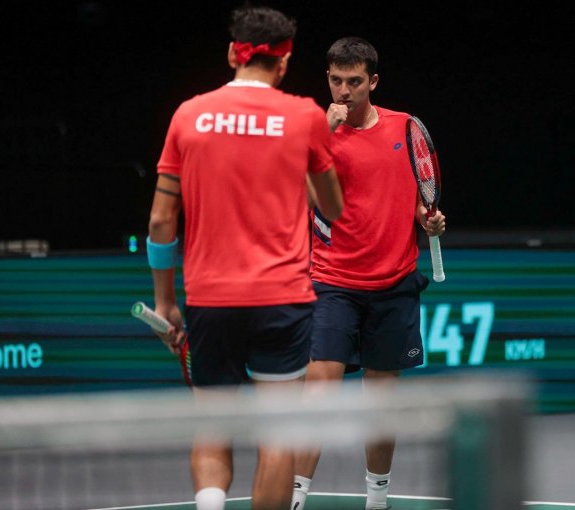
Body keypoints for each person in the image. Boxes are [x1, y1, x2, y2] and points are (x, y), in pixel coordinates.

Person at [146, 5, 343, 510]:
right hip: (283, 300)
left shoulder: (188, 115)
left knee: (213, 424)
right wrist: (298, 158)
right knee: (277, 435)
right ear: (284, 62)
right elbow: (333, 208)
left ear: (233, 52)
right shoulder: (304, 117)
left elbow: (160, 221)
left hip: (211, 299)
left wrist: (164, 301)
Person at [291, 37, 446, 510]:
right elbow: (289, 190)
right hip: (332, 281)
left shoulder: (405, 127)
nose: (344, 91)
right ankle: (296, 498)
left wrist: (430, 220)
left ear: (372, 82)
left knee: (381, 408)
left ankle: (377, 500)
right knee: (316, 396)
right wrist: (322, 135)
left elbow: (423, 199)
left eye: (354, 81)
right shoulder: (314, 132)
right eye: (336, 81)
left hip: (393, 283)